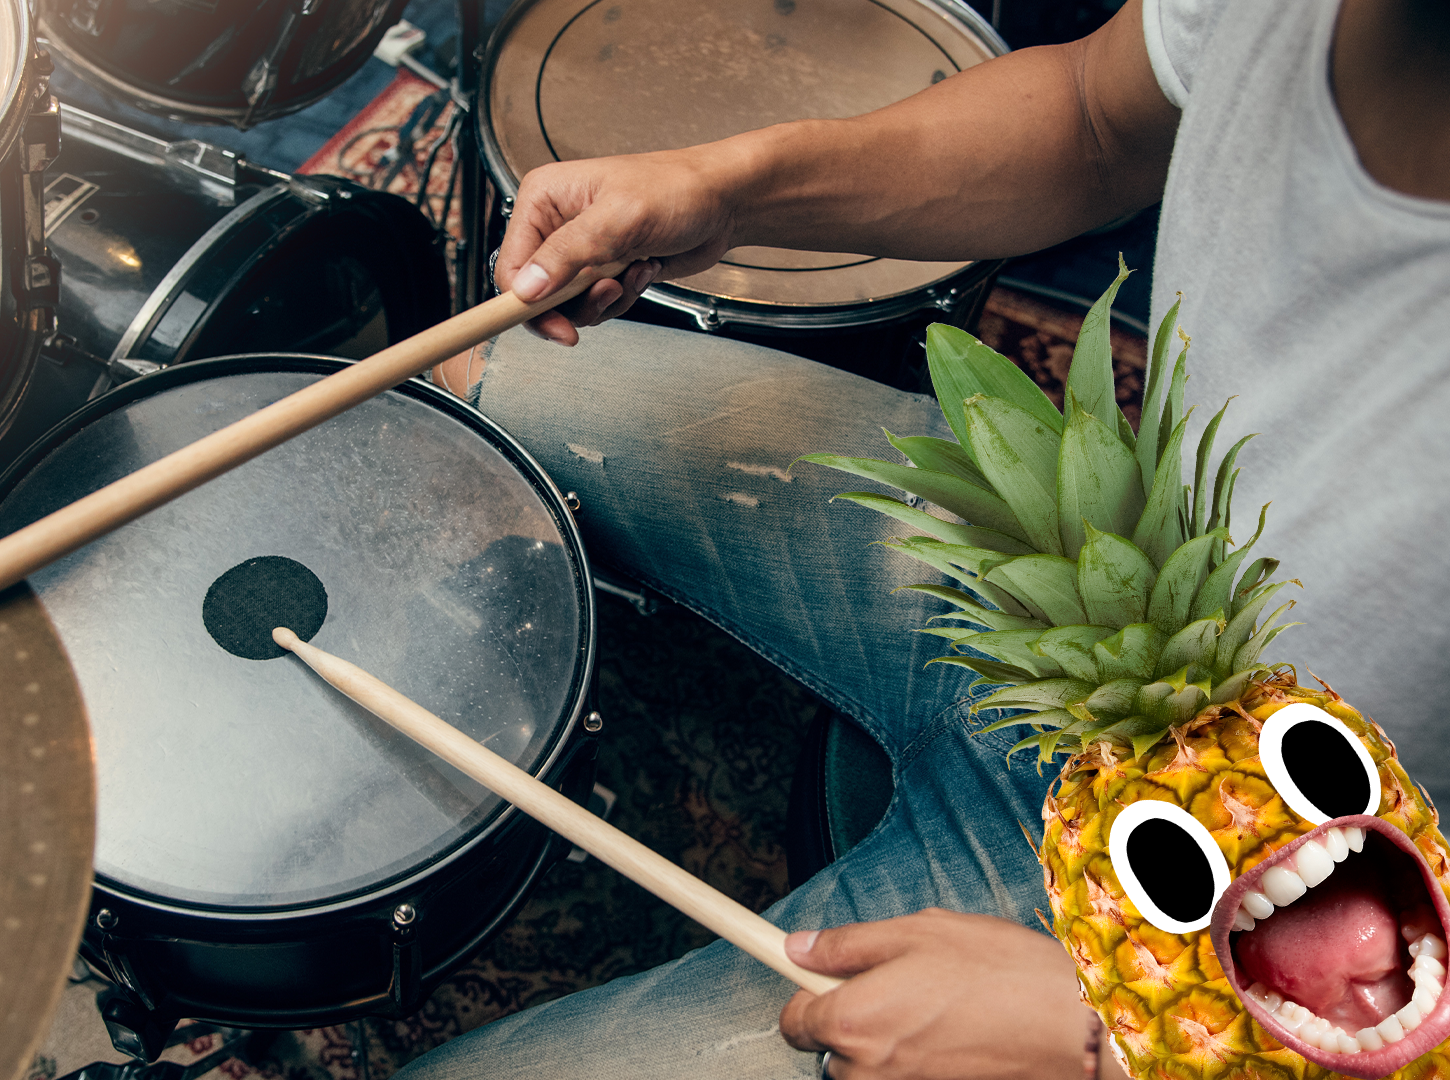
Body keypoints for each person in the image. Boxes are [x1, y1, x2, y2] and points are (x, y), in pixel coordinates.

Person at [401, 0, 1450, 1077]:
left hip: (1303, 875)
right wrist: (727, 186)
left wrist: (1104, 1044)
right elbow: (1095, 114)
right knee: (475, 383)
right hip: (1104, 585)